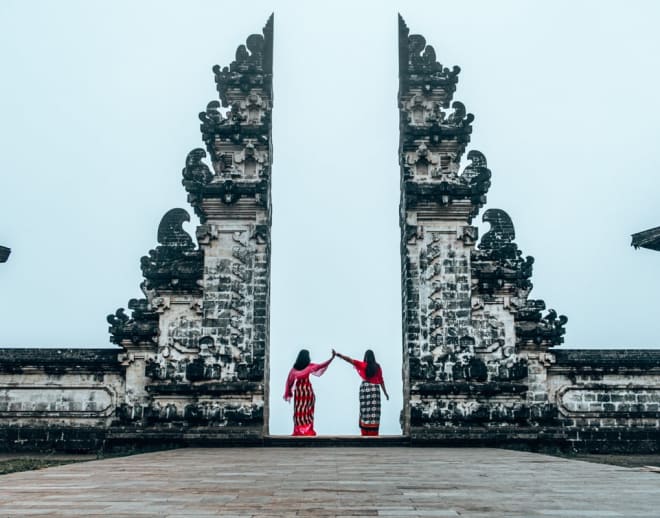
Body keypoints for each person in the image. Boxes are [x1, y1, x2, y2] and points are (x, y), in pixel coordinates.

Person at [333, 348, 389, 436]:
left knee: (365, 412)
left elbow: (349, 360)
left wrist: (339, 355)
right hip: (375, 391)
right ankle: (373, 433)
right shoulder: (377, 367)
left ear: (366, 357)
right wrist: (385, 393)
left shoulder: (363, 365)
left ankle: (365, 432)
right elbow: (381, 381)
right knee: (374, 413)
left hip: (365, 390)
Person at [283, 349, 335, 436]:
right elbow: (322, 365)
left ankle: (299, 431)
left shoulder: (294, 370)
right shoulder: (309, 367)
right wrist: (332, 358)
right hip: (307, 391)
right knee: (308, 412)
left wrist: (289, 393)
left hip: (299, 392)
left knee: (299, 412)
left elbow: (289, 382)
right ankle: (307, 431)